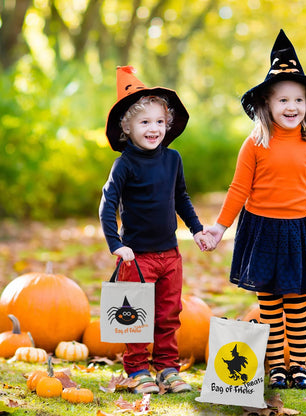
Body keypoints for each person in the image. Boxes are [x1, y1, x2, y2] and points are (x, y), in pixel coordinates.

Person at [205, 30, 306, 389]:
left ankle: (299, 365)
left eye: (299, 100)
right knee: (269, 303)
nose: (292, 107)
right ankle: (276, 364)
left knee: (298, 304)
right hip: (261, 230)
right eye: (283, 100)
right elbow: (239, 189)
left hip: (298, 230)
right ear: (266, 106)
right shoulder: (255, 144)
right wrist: (219, 227)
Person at [99, 66, 216, 394]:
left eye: (159, 122)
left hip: (170, 254)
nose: (154, 129)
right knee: (134, 314)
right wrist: (116, 244)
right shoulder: (125, 164)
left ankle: (167, 367)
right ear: (127, 126)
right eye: (145, 122)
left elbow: (181, 198)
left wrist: (197, 229)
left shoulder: (173, 159)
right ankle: (137, 369)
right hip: (136, 257)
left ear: (168, 125)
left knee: (169, 313)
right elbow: (107, 204)